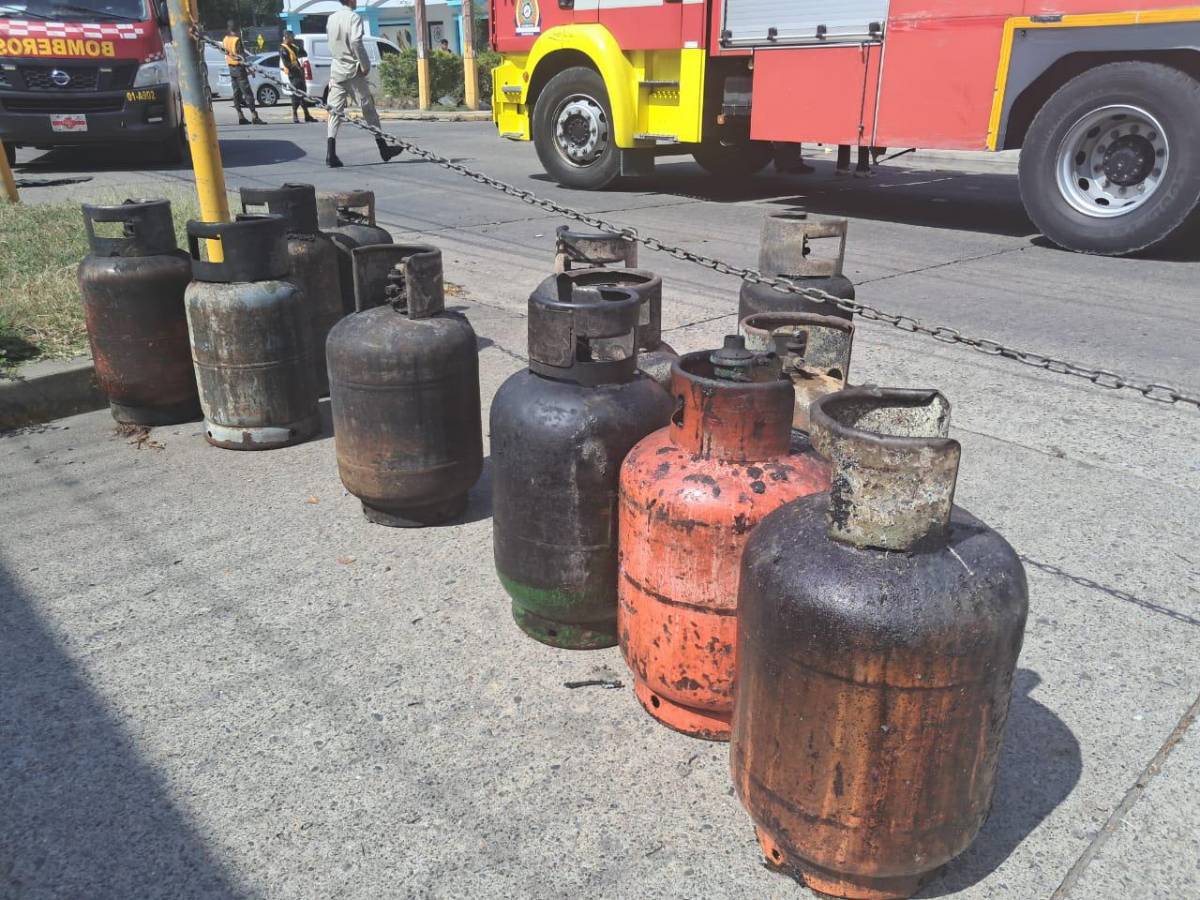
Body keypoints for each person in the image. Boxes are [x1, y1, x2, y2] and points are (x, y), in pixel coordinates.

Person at [325, 0, 403, 167]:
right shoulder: (353, 17)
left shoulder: (331, 18)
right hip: (354, 71)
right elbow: (355, 42)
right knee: (369, 109)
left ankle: (330, 154)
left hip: (337, 71)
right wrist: (365, 65)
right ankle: (383, 149)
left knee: (334, 112)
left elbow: (331, 44)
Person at [223, 21, 264, 126]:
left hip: (231, 69)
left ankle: (240, 116)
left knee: (236, 93)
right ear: (237, 30)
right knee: (248, 93)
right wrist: (249, 70)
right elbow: (242, 58)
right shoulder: (237, 40)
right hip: (239, 69)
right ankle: (254, 116)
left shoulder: (225, 40)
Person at [280, 30, 317, 124]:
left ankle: (307, 115)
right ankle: (295, 115)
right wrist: (295, 67)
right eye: (291, 37)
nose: (293, 39)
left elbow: (304, 53)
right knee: (295, 95)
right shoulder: (283, 49)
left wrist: (296, 44)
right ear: (287, 37)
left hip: (299, 73)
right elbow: (286, 63)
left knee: (303, 94)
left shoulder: (293, 47)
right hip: (293, 74)